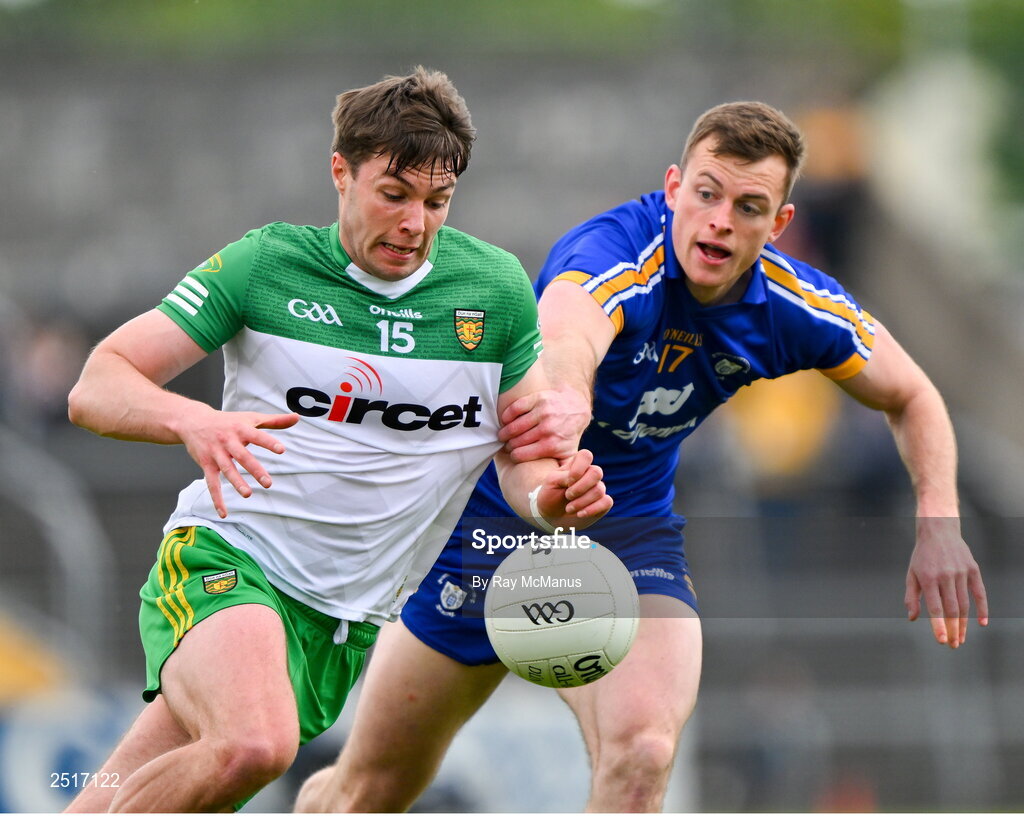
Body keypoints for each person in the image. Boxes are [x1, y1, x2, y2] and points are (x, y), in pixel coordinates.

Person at [294, 100, 989, 813]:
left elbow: (913, 394)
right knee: (368, 789)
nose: (720, 221)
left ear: (778, 223)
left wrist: (939, 523)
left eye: (748, 207)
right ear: (674, 188)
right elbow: (568, 332)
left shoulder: (792, 304)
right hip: (491, 524)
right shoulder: (617, 254)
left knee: (643, 754)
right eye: (707, 193)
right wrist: (567, 402)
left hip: (626, 536)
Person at [62, 66, 611, 813]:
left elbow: (524, 457)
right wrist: (195, 421)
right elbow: (98, 384)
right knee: (254, 744)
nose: (415, 222)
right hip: (230, 558)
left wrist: (554, 498)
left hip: (345, 620)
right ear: (341, 173)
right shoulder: (266, 264)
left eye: (437, 202)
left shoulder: (495, 290)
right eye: (394, 194)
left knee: (120, 791)